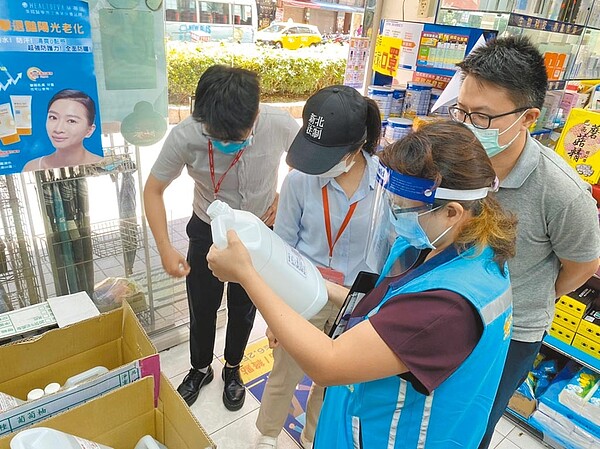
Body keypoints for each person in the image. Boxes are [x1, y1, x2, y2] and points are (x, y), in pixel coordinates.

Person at [208, 121, 517, 448]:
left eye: (403, 208)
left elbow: (327, 363)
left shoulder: (451, 305)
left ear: (452, 212)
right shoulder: (439, 247)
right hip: (362, 416)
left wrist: (247, 275)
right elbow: (389, 309)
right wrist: (314, 287)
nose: (396, 214)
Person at [450, 35, 600, 449]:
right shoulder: (459, 160)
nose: (466, 125)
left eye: (481, 117)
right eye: (461, 110)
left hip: (511, 331)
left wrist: (533, 294)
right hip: (451, 308)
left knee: (474, 422)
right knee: (437, 409)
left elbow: (582, 267)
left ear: (529, 117)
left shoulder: (563, 193)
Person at [144, 65, 299, 411]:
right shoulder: (186, 134)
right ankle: (200, 368)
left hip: (257, 232)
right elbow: (153, 190)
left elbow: (306, 165)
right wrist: (165, 248)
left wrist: (281, 198)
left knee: (245, 305)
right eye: (218, 138)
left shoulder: (278, 123)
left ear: (256, 115)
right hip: (206, 229)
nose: (227, 145)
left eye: (237, 139)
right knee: (202, 305)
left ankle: (233, 368)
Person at [255, 85, 381, 449]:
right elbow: (281, 248)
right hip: (304, 294)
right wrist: (275, 314)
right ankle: (266, 435)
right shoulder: (299, 180)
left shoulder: (383, 185)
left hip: (353, 302)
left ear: (355, 149)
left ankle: (314, 437)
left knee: (333, 379)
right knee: (284, 372)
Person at [24, 89, 102, 171]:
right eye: (53, 117)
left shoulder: (101, 166)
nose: (58, 129)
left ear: (89, 130)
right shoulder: (32, 167)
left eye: (71, 121)